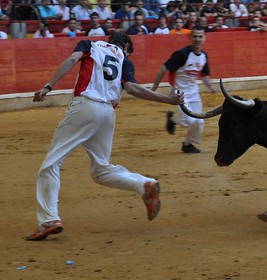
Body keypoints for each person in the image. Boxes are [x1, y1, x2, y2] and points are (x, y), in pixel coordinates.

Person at [26, 31, 184, 241]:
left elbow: (72, 59)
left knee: (50, 165)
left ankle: (48, 220)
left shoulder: (90, 45)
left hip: (85, 106)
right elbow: (132, 88)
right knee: (100, 169)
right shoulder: (125, 61)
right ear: (126, 46)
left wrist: (48, 86)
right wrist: (167, 100)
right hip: (107, 113)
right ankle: (144, 184)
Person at [151, 25, 217, 154]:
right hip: (179, 92)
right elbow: (163, 68)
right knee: (189, 121)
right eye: (195, 36)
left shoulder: (204, 56)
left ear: (204, 38)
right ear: (190, 37)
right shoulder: (181, 54)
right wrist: (154, 87)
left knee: (199, 121)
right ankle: (172, 119)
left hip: (194, 91)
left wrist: (211, 87)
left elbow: (204, 76)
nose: (197, 39)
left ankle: (187, 144)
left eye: (200, 37)